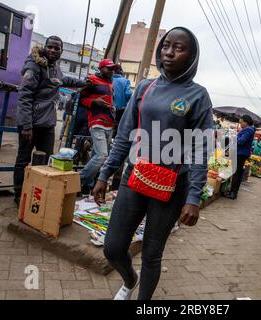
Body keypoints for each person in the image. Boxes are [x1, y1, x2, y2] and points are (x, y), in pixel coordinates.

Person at [92, 27, 213, 300]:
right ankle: (129, 279)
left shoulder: (198, 96)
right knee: (113, 247)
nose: (169, 52)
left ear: (192, 57)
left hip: (171, 187)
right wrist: (105, 173)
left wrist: (193, 197)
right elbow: (125, 134)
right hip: (135, 176)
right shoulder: (146, 87)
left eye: (179, 48)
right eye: (166, 45)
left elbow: (200, 149)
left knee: (151, 253)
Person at [14, 36, 89, 206]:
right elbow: (24, 97)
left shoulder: (54, 68)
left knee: (47, 160)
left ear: (61, 51)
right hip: (31, 123)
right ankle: (19, 195)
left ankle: (37, 193)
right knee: (23, 159)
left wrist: (84, 83)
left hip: (47, 123)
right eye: (50, 47)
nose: (53, 50)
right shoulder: (34, 66)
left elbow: (66, 80)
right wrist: (26, 125)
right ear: (45, 47)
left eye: (57, 48)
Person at [79, 59, 117, 194]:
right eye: (109, 68)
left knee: (96, 154)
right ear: (101, 68)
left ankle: (88, 185)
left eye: (113, 69)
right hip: (96, 121)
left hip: (109, 123)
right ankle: (79, 180)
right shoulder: (91, 79)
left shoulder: (110, 83)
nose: (111, 71)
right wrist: (94, 102)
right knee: (102, 156)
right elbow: (81, 100)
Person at [225, 115, 255, 200]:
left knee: (236, 174)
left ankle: (233, 193)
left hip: (240, 153)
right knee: (237, 173)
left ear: (246, 122)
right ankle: (232, 192)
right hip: (241, 153)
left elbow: (242, 141)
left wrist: (234, 138)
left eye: (241, 122)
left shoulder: (248, 130)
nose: (240, 124)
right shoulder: (249, 130)